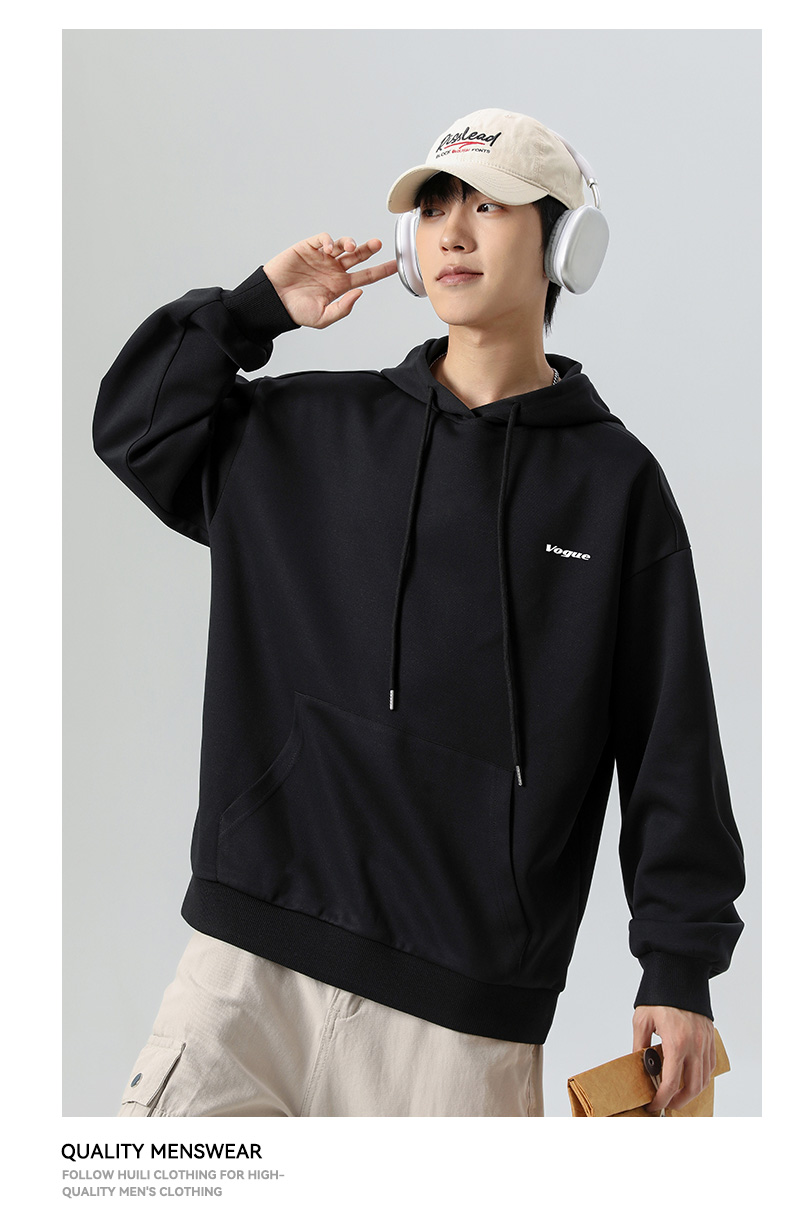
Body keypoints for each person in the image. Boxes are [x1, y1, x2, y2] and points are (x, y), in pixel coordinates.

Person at [93, 108, 746, 1118]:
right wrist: (254, 310)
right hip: (244, 979)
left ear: (565, 244)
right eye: (434, 208)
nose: (452, 232)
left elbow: (670, 742)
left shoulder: (614, 491)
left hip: (461, 1025)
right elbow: (136, 425)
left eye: (489, 206)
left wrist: (679, 965)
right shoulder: (305, 432)